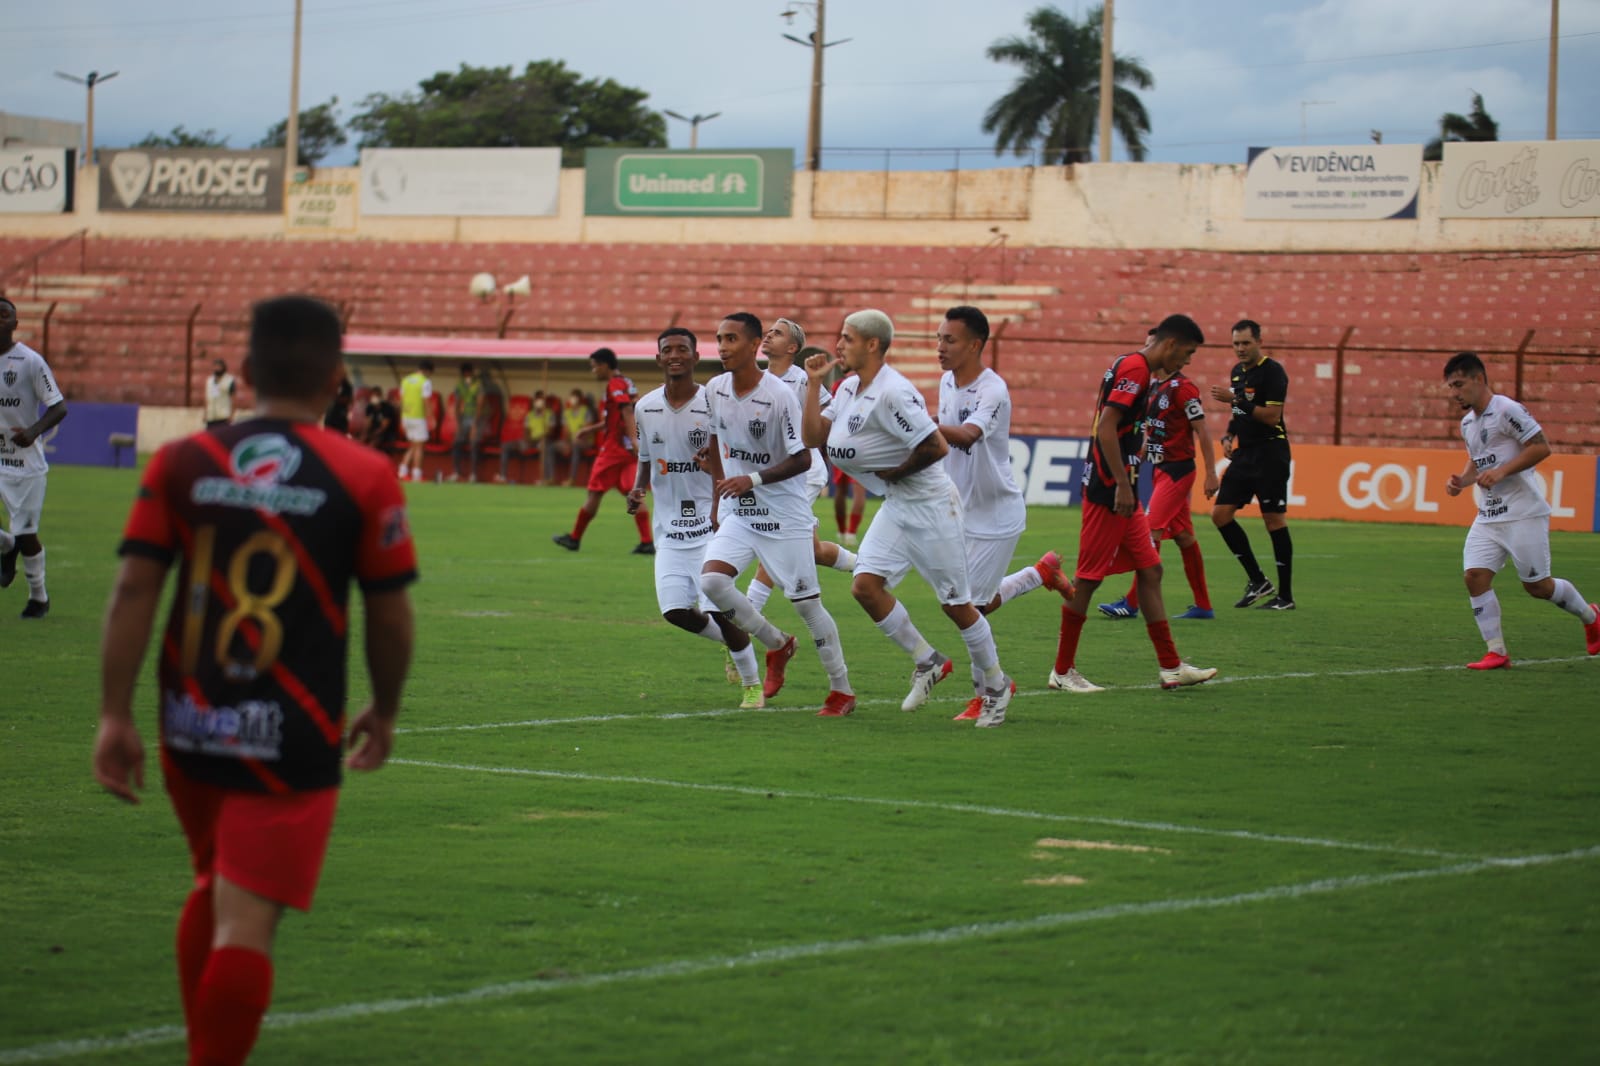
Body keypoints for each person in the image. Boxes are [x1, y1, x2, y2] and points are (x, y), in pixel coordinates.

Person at [92, 294, 418, 1066]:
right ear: (338, 379)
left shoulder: (184, 461)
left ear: (242, 372)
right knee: (246, 919)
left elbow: (134, 591)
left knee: (214, 881)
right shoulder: (364, 473)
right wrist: (389, 707)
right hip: (293, 728)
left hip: (190, 719)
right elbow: (391, 614)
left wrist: (114, 713)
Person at [802, 309, 1015, 728]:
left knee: (957, 605)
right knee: (864, 586)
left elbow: (936, 447)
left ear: (873, 345)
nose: (839, 344)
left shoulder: (893, 393)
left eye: (847, 337)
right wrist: (812, 384)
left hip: (932, 504)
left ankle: (996, 685)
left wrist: (895, 472)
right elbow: (813, 438)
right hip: (899, 503)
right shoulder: (847, 388)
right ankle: (928, 660)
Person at [1050, 315, 1219, 694]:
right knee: (1088, 580)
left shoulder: (1136, 368)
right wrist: (1124, 486)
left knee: (1151, 570)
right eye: (1187, 353)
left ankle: (1171, 667)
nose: (1186, 362)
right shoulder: (1137, 369)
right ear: (1171, 344)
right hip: (1109, 490)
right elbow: (1106, 426)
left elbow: (1121, 428)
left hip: (1121, 487)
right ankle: (1062, 671)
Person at [700, 312, 855, 717]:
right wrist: (719, 495)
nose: (722, 347)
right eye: (719, 338)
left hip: (783, 512)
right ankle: (777, 643)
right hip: (740, 510)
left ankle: (841, 689)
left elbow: (804, 458)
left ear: (754, 346)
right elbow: (715, 441)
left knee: (807, 605)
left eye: (731, 339)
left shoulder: (781, 394)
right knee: (713, 583)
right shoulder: (715, 388)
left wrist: (750, 479)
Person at [934, 305, 1074, 721]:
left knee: (964, 606)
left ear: (976, 345)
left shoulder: (993, 391)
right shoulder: (946, 381)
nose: (940, 347)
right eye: (939, 338)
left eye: (950, 340)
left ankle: (991, 691)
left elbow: (966, 437)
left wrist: (915, 425)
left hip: (994, 516)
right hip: (958, 510)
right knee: (973, 603)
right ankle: (1039, 574)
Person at [626, 327, 765, 707]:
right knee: (674, 612)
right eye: (667, 349)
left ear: (694, 356)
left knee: (718, 611)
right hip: (669, 530)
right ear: (658, 359)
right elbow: (645, 456)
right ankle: (737, 642)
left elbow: (734, 457)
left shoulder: (713, 403)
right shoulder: (645, 407)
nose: (674, 355)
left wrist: (717, 479)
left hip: (711, 524)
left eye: (682, 349)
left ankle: (752, 685)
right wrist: (639, 488)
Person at [1441, 351, 1600, 669]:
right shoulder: (1468, 423)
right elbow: (1479, 460)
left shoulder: (1507, 410)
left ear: (1479, 379)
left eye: (1459, 384)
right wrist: (1463, 480)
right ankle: (1496, 651)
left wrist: (1502, 473)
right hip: (1489, 515)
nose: (1455, 393)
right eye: (1450, 387)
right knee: (1474, 576)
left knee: (1538, 587)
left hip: (1523, 512)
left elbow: (1541, 446)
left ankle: (1591, 616)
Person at [740, 317, 857, 613]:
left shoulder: (803, 380)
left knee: (774, 537)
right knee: (812, 549)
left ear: (792, 347)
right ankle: (871, 566)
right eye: (768, 333)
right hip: (774, 474)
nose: (768, 336)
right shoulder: (757, 380)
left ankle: (746, 618)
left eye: (777, 334)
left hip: (804, 471)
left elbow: (831, 415)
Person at [1098, 345, 1220, 621]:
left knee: (1150, 531)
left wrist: (1211, 472)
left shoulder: (1184, 388)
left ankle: (1131, 602)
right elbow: (1153, 432)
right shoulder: (1153, 386)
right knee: (1184, 537)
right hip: (1159, 469)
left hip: (1178, 471)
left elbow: (1202, 429)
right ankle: (1204, 606)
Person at [1209, 319, 1295, 610]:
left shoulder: (1273, 372)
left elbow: (1271, 417)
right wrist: (1229, 434)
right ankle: (1258, 581)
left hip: (1271, 452)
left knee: (1273, 520)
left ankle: (1285, 596)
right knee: (1220, 515)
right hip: (1245, 454)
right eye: (1236, 344)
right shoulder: (1237, 373)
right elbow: (1239, 411)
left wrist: (1234, 399)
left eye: (1246, 343)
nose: (1240, 349)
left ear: (1258, 341)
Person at [0, 296, 70, 619]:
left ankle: (39, 598)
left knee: (27, 536)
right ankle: (6, 544)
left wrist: (32, 431)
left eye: (5, 316)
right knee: (16, 536)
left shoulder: (29, 362)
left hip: (25, 465)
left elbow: (59, 407)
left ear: (15, 325)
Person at [552, 349, 653, 554]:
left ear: (605, 365)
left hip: (613, 449)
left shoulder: (614, 384)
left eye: (595, 366)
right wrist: (591, 429)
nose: (593, 370)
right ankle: (647, 542)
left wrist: (634, 439)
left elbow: (626, 410)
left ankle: (574, 538)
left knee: (594, 492)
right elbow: (617, 417)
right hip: (626, 449)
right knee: (632, 493)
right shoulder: (627, 382)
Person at [448, 362, 487, 483]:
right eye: (465, 374)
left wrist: (475, 424)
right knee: (456, 443)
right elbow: (457, 404)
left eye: (469, 373)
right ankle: (456, 472)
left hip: (478, 418)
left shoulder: (478, 385)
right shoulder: (460, 385)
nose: (467, 376)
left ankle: (473, 474)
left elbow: (480, 404)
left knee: (474, 443)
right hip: (464, 418)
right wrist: (458, 424)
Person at [495, 389, 545, 484]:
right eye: (538, 399)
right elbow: (526, 431)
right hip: (529, 441)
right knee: (505, 446)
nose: (539, 402)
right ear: (534, 401)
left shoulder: (548, 414)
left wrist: (537, 439)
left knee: (545, 446)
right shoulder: (529, 415)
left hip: (540, 441)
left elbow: (549, 432)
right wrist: (528, 440)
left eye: (541, 399)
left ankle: (543, 479)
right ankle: (503, 476)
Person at [397, 359, 434, 483]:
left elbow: (401, 399)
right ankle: (416, 475)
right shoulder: (425, 382)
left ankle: (402, 472)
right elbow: (426, 401)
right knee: (419, 447)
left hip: (406, 417)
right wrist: (431, 418)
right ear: (427, 371)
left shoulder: (406, 380)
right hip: (418, 417)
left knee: (413, 445)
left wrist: (402, 417)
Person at [360, 386, 399, 451]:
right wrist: (365, 434)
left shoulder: (387, 408)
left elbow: (384, 427)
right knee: (362, 437)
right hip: (375, 430)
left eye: (376, 396)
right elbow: (367, 424)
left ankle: (369, 456)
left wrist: (373, 435)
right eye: (373, 396)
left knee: (375, 440)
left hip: (387, 432)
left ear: (380, 396)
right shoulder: (370, 408)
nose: (374, 398)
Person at [204, 358, 236, 429]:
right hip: (211, 417)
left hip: (223, 417)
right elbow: (207, 398)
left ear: (223, 367)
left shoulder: (229, 380)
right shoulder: (210, 381)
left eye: (219, 366)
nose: (217, 368)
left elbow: (233, 399)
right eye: (215, 366)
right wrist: (205, 414)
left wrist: (231, 415)